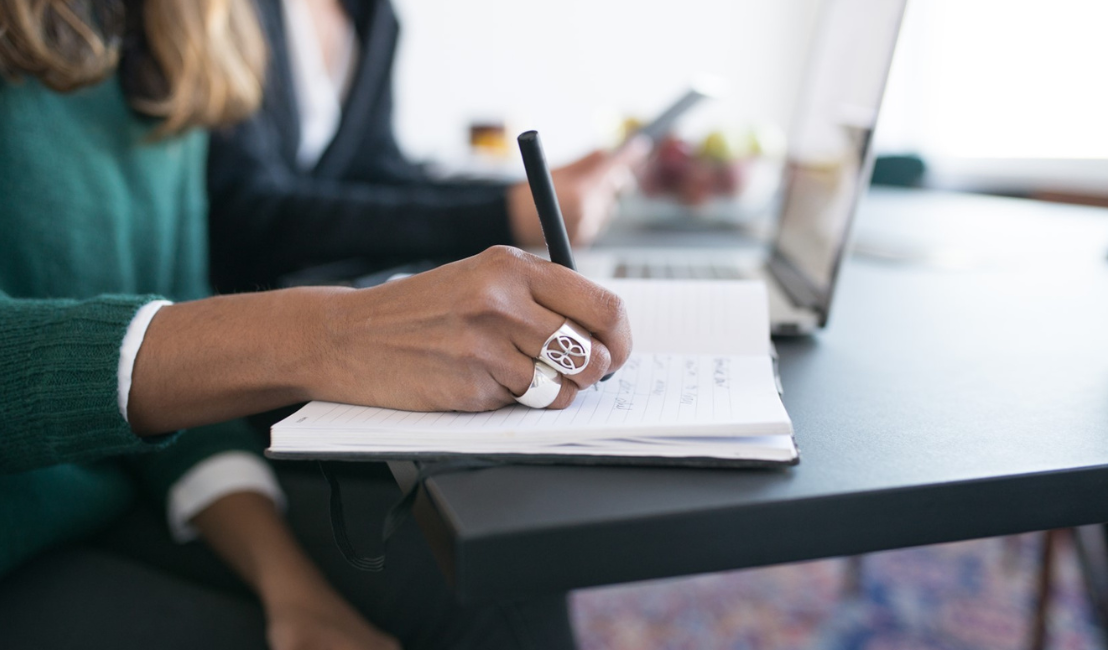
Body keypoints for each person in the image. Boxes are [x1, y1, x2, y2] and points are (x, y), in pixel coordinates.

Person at [0, 2, 629, 649]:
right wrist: (323, 336)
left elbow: (174, 363)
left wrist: (292, 587)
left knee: (495, 583)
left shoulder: (178, 33)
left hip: (119, 493)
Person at [207, 0, 649, 293]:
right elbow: (251, 216)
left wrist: (525, 197)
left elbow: (378, 174)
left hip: (331, 295)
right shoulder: (227, 14)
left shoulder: (374, 17)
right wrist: (503, 217)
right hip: (247, 324)